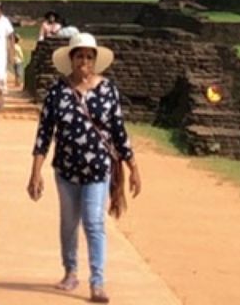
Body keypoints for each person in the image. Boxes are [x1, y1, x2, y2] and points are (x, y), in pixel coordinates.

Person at [27, 32, 141, 305]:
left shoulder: (107, 90)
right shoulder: (58, 92)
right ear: (71, 59)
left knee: (94, 222)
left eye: (89, 57)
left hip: (98, 169)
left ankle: (97, 281)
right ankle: (70, 271)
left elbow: (119, 131)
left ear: (95, 60)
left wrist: (133, 166)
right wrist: (35, 172)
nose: (84, 61)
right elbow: (44, 134)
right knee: (69, 223)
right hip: (66, 169)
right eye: (80, 56)